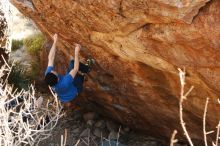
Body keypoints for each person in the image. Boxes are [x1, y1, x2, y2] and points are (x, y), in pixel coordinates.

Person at [44, 34, 91, 108]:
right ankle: (86, 72)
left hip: (64, 95)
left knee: (72, 69)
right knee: (74, 66)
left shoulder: (49, 76)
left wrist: (55, 41)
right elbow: (75, 68)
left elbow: (50, 58)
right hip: (75, 90)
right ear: (58, 78)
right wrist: (76, 52)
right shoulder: (65, 82)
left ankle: (82, 75)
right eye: (54, 72)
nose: (53, 70)